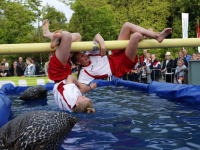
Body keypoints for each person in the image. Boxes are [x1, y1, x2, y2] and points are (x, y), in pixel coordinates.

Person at [70, 22, 172, 85]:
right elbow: (79, 88)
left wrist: (102, 44)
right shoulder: (84, 73)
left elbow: (97, 35)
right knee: (136, 36)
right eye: (82, 56)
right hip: (119, 66)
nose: (85, 55)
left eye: (83, 53)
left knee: (127, 25)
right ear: (78, 62)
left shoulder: (90, 53)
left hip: (114, 55)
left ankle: (153, 35)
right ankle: (145, 36)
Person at [42, 19, 96, 113]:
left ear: (77, 103)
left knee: (66, 36)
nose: (83, 96)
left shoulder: (71, 98)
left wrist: (80, 84)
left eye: (83, 98)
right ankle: (57, 41)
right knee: (78, 37)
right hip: (62, 74)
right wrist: (89, 88)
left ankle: (49, 35)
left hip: (59, 72)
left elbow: (70, 78)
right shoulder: (72, 107)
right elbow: (79, 92)